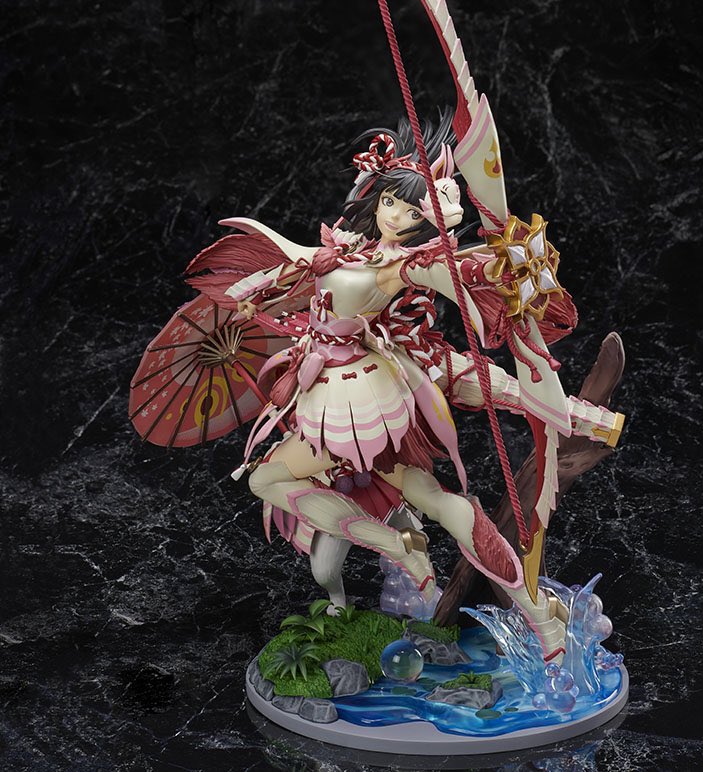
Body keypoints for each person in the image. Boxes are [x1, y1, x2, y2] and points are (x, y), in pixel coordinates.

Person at [184, 115, 623, 661]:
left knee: (278, 478)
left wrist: (494, 265)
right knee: (428, 499)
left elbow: (447, 275)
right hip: (346, 386)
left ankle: (453, 562)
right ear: (377, 195)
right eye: (392, 202)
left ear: (425, 220)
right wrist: (260, 294)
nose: (396, 216)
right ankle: (510, 601)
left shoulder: (400, 265)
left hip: (356, 398)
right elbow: (299, 261)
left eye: (413, 212)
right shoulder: (351, 247)